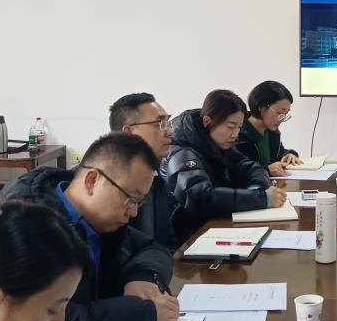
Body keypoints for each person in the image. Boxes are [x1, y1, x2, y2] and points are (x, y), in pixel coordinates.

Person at [0, 132, 179, 321]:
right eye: (130, 199)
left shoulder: (99, 219)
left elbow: (153, 248)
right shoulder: (31, 226)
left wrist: (142, 277)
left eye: (139, 202)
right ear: (92, 180)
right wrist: (145, 315)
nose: (133, 212)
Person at [164, 89, 288, 242]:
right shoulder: (182, 151)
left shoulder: (217, 142)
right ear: (207, 121)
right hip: (189, 236)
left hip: (215, 224)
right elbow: (199, 197)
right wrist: (262, 199)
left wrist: (255, 188)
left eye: (239, 127)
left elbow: (249, 166)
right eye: (230, 127)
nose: (235, 134)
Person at [109, 92, 178, 251]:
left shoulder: (157, 179)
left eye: (168, 123)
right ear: (129, 132)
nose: (169, 132)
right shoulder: (107, 185)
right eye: (159, 124)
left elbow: (168, 242)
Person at [234, 80, 303, 178]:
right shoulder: (238, 134)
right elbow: (237, 171)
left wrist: (289, 155)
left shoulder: (273, 133)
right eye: (279, 112)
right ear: (261, 107)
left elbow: (278, 154)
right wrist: (266, 170)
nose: (282, 119)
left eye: (286, 114)